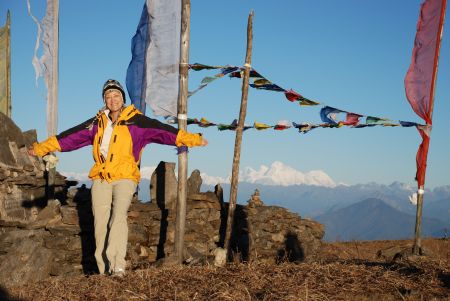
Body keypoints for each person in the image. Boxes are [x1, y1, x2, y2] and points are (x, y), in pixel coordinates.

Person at [28, 79, 207, 277]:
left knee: (118, 217)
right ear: (104, 100)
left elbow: (165, 132)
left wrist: (193, 139)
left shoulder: (137, 121)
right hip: (101, 177)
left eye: (116, 95)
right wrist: (39, 148)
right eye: (108, 96)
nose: (112, 100)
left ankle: (118, 267)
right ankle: (104, 271)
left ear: (122, 98)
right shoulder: (96, 123)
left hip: (125, 177)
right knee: (100, 223)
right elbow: (68, 138)